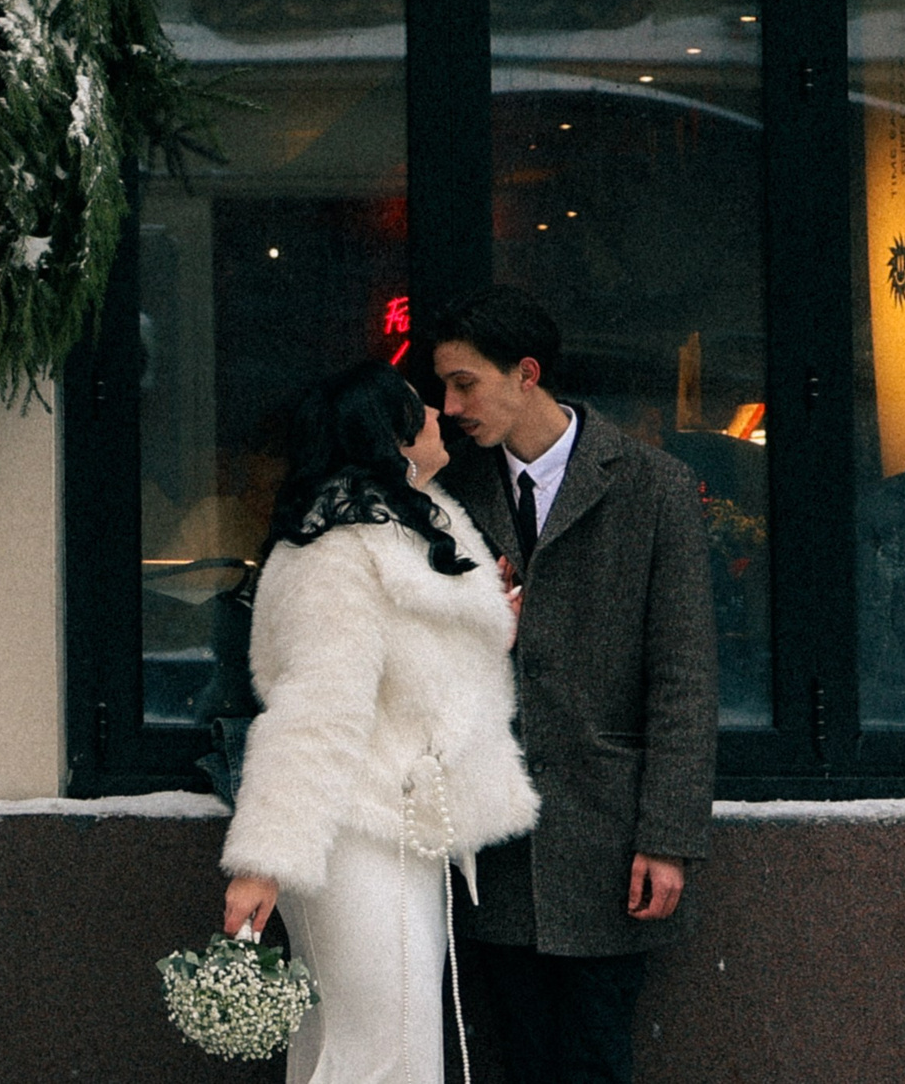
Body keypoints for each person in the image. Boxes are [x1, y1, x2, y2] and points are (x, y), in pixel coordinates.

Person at [424, 287, 718, 1084]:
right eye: (443, 386)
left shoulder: (653, 485)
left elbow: (684, 677)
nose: (450, 407)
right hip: (494, 843)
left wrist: (668, 837)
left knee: (595, 1059)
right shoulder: (451, 493)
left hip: (607, 839)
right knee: (517, 1059)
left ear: (526, 374)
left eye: (464, 383)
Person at [220, 360, 539, 1084]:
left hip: (397, 832)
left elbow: (411, 674)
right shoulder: (338, 553)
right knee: (379, 1054)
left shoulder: (403, 531)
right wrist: (264, 858)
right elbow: (315, 711)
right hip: (352, 836)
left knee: (372, 1050)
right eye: (418, 408)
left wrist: (486, 626)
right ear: (389, 438)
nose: (439, 413)